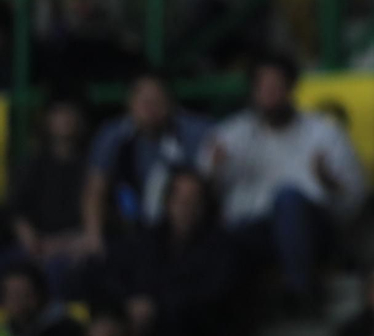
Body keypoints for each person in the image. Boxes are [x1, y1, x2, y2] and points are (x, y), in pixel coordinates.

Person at [202, 54, 366, 308]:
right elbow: (198, 194)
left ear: (291, 88)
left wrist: (329, 182)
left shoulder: (323, 132)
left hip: (312, 227)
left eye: (276, 87)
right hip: (254, 232)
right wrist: (213, 172)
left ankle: (300, 289)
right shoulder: (231, 135)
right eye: (262, 87)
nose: (269, 94)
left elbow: (353, 199)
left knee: (288, 200)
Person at [84, 74, 211, 252]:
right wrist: (94, 239)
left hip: (179, 231)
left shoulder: (191, 132)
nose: (150, 108)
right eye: (144, 101)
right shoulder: (113, 136)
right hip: (129, 227)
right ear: (130, 103)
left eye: (157, 101)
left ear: (170, 104)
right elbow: (95, 191)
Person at [106, 168, 237, 336]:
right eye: (180, 199)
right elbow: (114, 273)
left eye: (193, 201)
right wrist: (129, 302)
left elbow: (211, 299)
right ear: (168, 201)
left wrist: (156, 307)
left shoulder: (219, 247)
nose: (185, 207)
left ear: (204, 205)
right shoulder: (148, 239)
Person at [10, 99, 92, 293]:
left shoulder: (92, 166)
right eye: (58, 113)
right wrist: (30, 240)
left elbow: (96, 221)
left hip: (75, 245)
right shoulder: (32, 164)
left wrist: (65, 245)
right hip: (37, 244)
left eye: (69, 113)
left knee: (58, 270)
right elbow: (16, 208)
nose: (64, 120)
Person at [0, 261, 83, 336]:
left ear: (38, 295)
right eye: (10, 295)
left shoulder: (64, 328)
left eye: (23, 295)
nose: (17, 302)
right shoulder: (8, 328)